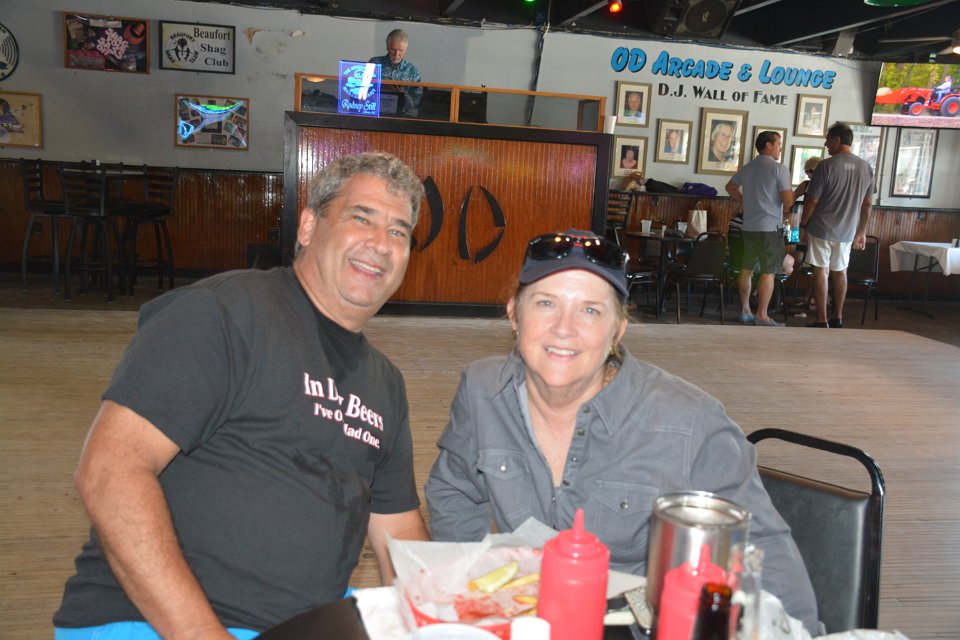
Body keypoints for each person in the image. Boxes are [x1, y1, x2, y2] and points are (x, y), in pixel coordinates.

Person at [53, 152, 430, 639]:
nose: (380, 244)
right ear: (309, 226)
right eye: (362, 218)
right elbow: (109, 470)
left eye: (399, 232)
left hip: (304, 624)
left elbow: (399, 536)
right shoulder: (224, 313)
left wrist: (444, 621)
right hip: (152, 621)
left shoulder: (385, 383)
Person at [424, 229, 820, 634]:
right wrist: (469, 590)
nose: (563, 328)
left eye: (590, 310)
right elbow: (453, 489)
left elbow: (765, 558)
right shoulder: (481, 391)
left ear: (618, 330)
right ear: (514, 314)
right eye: (546, 303)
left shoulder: (691, 422)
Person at [800, 122, 874, 328]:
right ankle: (838, 317)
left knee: (821, 272)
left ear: (837, 140)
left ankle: (822, 319)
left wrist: (803, 225)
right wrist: (862, 231)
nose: (826, 145)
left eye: (828, 140)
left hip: (821, 228)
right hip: (848, 231)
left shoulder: (825, 166)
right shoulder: (866, 168)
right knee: (841, 272)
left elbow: (812, 201)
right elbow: (867, 204)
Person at [725, 131, 794, 326]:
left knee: (746, 269)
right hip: (769, 228)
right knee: (768, 271)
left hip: (748, 227)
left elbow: (730, 187)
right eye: (778, 144)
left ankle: (745, 311)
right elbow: (788, 200)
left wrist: (744, 201)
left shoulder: (748, 168)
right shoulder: (779, 169)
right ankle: (762, 315)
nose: (780, 148)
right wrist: (789, 206)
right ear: (768, 146)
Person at [369, 29, 422, 117]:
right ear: (387, 47)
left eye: (401, 50)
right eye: (393, 50)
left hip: (401, 116)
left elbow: (416, 100)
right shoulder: (374, 64)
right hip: (375, 112)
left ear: (406, 49)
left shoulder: (413, 71)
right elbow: (363, 89)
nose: (397, 54)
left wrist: (404, 96)